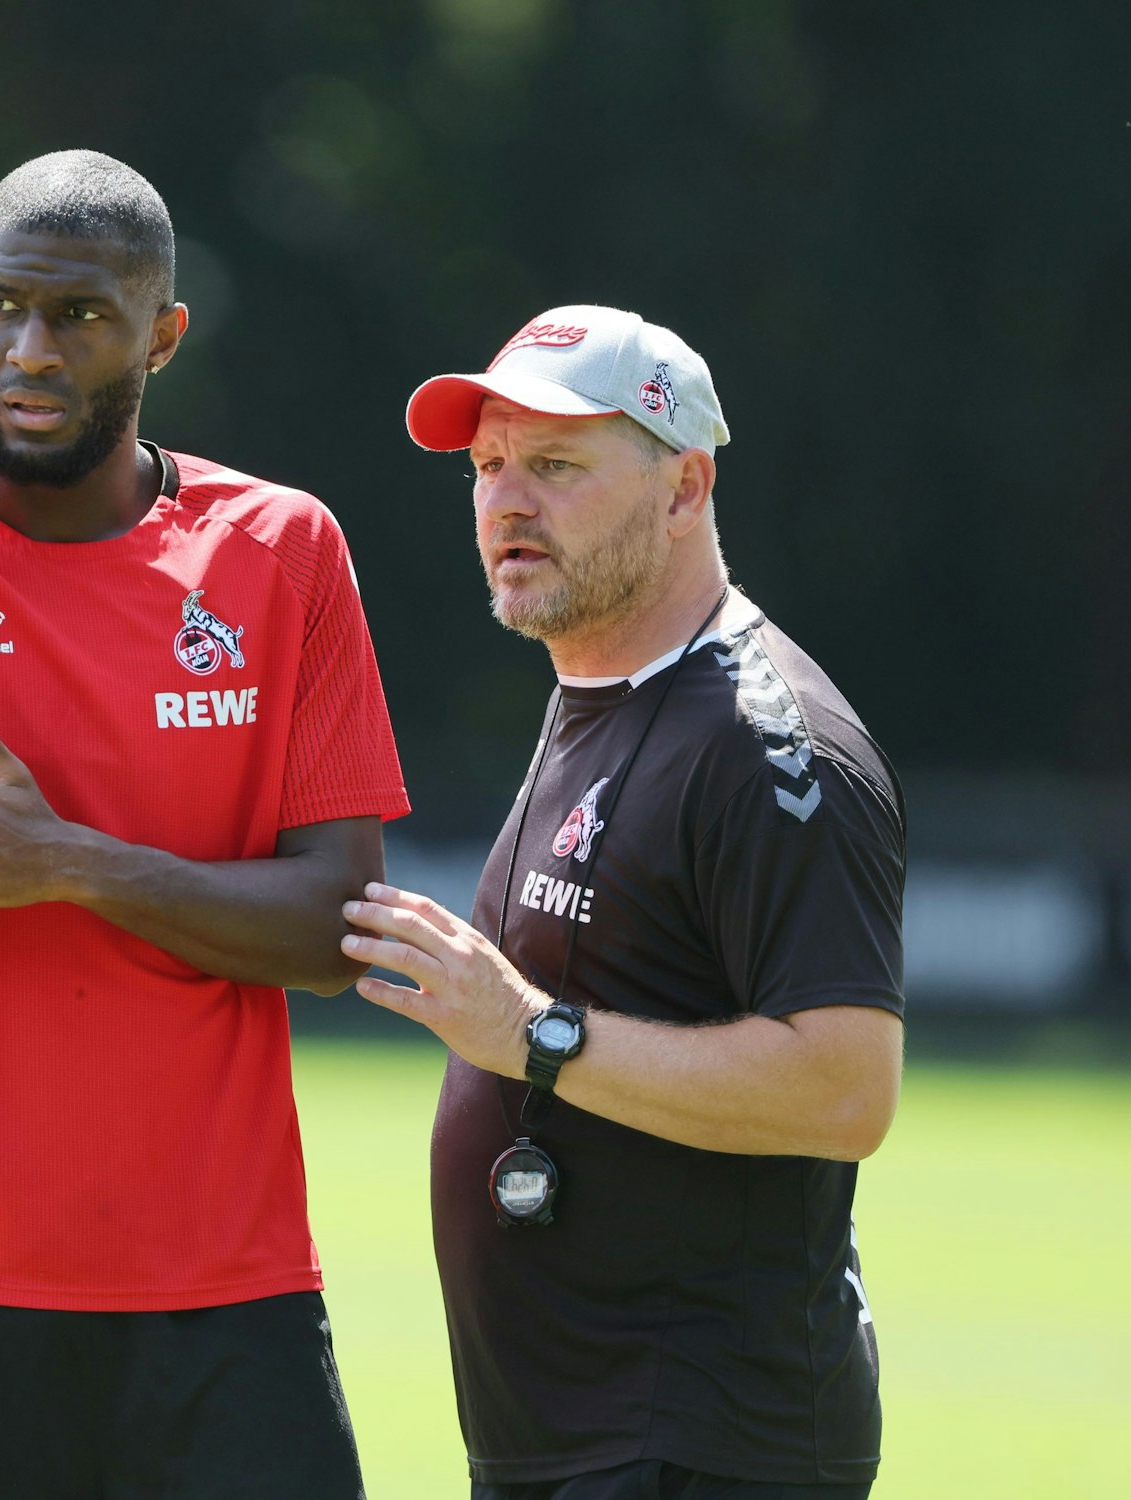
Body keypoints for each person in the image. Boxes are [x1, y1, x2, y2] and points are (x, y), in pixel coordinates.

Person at [0, 151, 408, 1500]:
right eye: (1, 308)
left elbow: (334, 931)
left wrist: (64, 863)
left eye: (82, 316)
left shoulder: (282, 551)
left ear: (161, 336)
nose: (31, 352)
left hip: (223, 1287)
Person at [342, 306, 905, 1499]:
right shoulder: (596, 684)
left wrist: (530, 1034)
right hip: (578, 1439)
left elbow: (844, 1090)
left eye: (554, 466)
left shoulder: (770, 749)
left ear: (683, 487)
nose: (505, 502)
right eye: (487, 465)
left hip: (699, 1445)